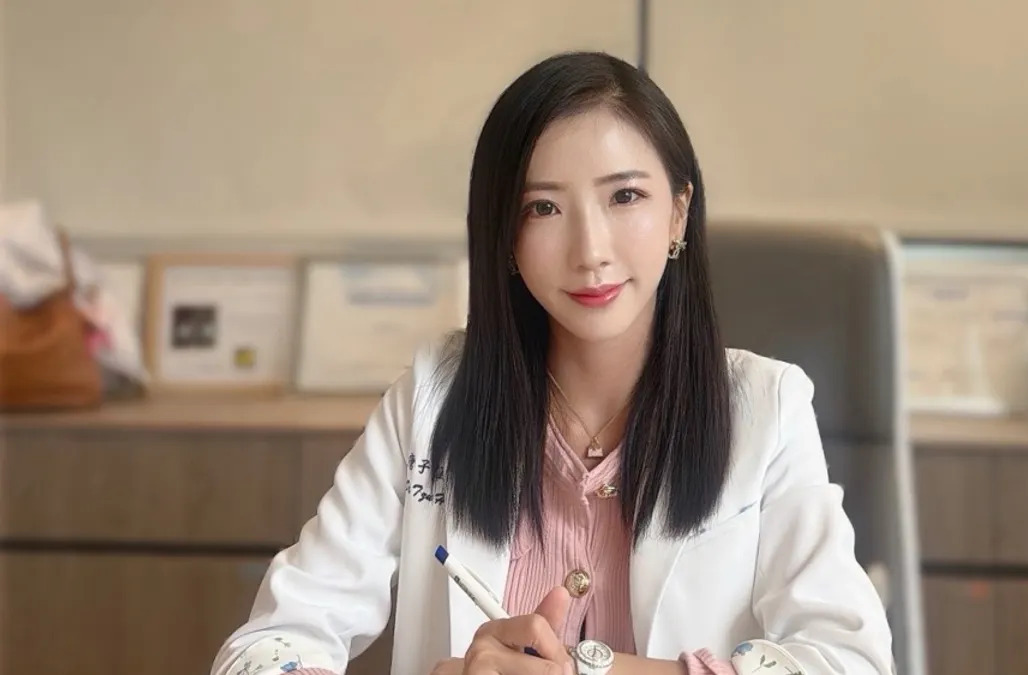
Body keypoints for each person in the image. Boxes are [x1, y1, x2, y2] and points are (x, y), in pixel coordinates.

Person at [210, 51, 892, 675]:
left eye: (625, 196)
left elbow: (849, 662)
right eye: (543, 207)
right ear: (505, 236)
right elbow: (264, 648)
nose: (589, 250)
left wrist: (592, 669)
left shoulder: (765, 410)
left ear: (679, 213)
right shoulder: (433, 400)